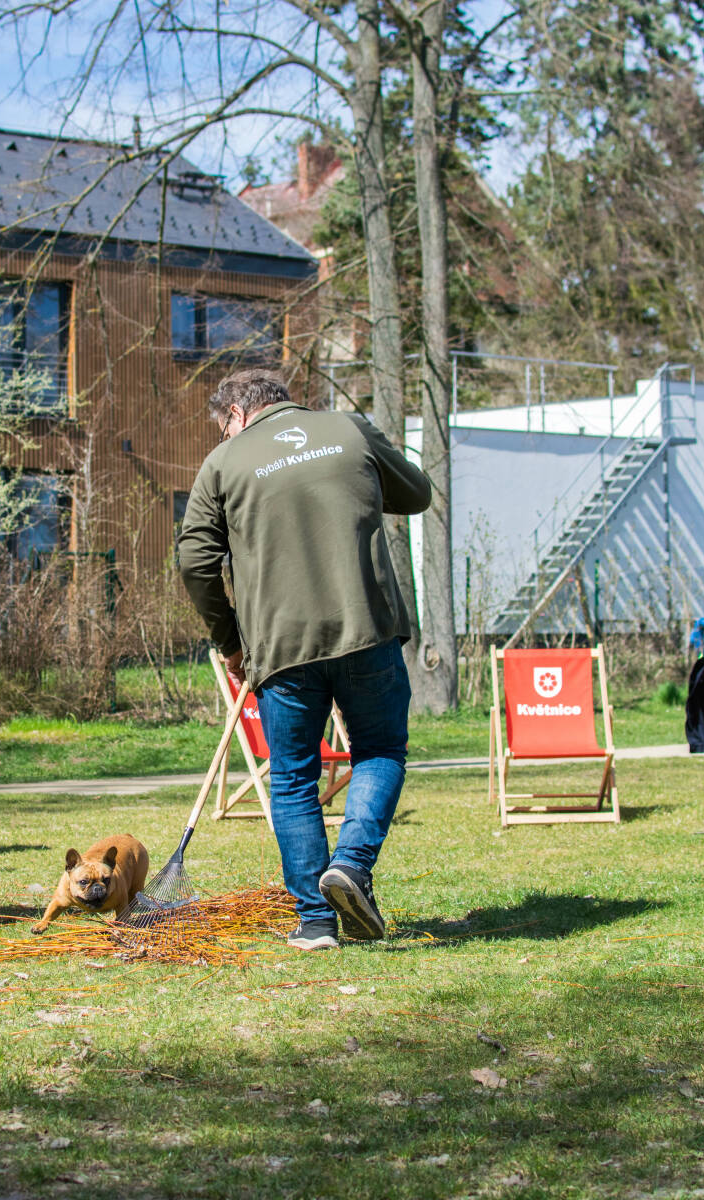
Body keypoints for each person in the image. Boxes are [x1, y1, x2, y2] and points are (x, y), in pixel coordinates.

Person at [177, 368, 432, 950]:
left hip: (281, 648)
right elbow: (416, 494)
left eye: (223, 427)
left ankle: (316, 922)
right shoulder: (349, 429)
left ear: (237, 413)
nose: (225, 436)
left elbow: (194, 561)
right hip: (367, 629)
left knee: (292, 778)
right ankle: (351, 866)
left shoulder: (223, 463)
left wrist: (230, 641)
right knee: (379, 751)